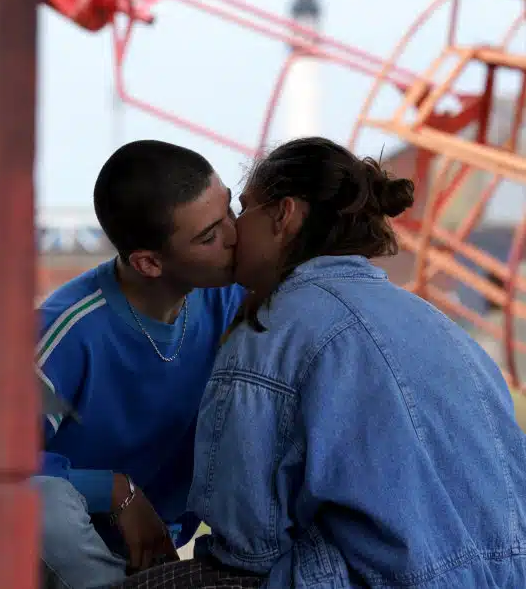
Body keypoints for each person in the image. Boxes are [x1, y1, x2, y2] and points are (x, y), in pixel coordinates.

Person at [188, 137, 526, 587]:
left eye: (245, 208)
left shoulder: (271, 332)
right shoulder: (439, 324)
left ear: (284, 215)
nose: (232, 230)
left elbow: (246, 545)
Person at [34, 139, 246, 589]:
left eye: (230, 209)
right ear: (149, 263)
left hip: (161, 547)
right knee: (41, 502)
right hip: (66, 556)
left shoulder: (235, 297)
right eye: (209, 236)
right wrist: (115, 491)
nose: (234, 235)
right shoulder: (66, 331)